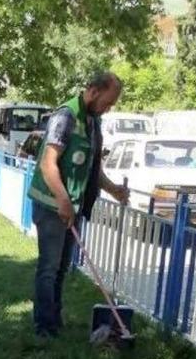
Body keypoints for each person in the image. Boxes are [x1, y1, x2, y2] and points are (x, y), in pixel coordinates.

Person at [27, 72, 129, 339]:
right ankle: (43, 328)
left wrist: (113, 190)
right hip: (52, 206)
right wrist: (63, 201)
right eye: (108, 102)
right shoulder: (66, 116)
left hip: (71, 207)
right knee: (49, 268)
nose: (108, 108)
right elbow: (48, 164)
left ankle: (54, 320)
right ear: (93, 91)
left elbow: (93, 168)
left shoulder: (93, 122)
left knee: (61, 268)